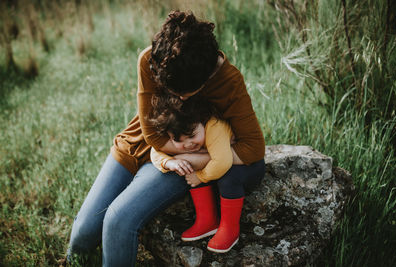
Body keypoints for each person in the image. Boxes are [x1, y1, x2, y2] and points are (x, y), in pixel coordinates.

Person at [68, 10, 265, 266]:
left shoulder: (229, 81)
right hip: (141, 145)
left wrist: (197, 158)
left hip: (185, 157)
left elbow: (253, 147)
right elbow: (150, 133)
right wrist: (176, 156)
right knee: (83, 233)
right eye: (172, 91)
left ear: (204, 78)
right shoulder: (150, 61)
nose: (180, 98)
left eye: (185, 92)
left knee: (119, 219)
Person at [149, 94, 264, 253]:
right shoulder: (177, 129)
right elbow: (155, 151)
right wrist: (170, 162)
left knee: (228, 176)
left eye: (192, 136)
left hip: (247, 166)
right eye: (178, 141)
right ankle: (207, 220)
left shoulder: (215, 125)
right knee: (189, 166)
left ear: (201, 121)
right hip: (217, 161)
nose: (187, 144)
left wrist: (200, 177)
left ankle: (229, 228)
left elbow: (222, 162)